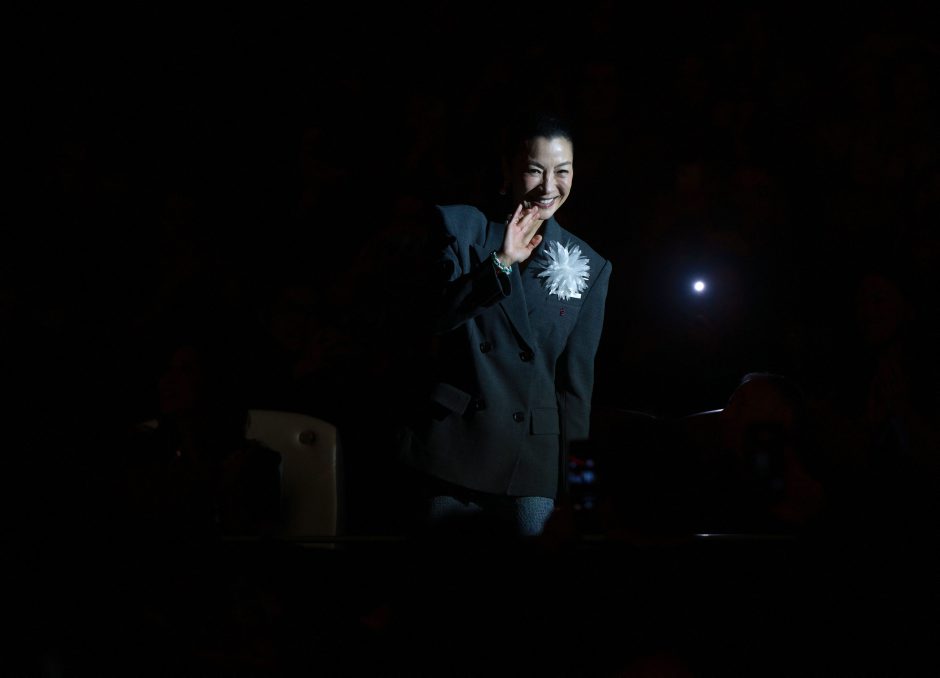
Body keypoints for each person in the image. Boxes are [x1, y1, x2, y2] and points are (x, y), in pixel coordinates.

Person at [397, 109, 612, 537]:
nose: (549, 187)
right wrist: (501, 262)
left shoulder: (590, 264)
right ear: (508, 170)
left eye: (562, 171)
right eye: (535, 170)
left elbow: (575, 392)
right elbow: (428, 320)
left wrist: (583, 494)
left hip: (531, 465)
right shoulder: (461, 227)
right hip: (454, 449)